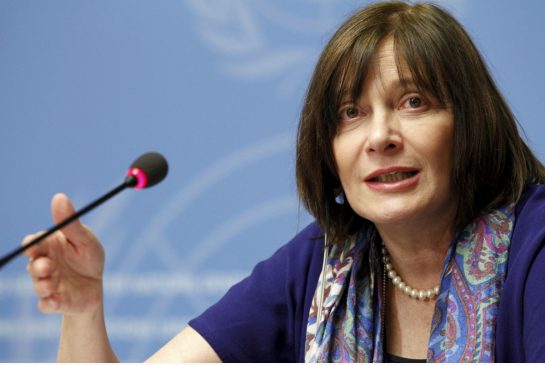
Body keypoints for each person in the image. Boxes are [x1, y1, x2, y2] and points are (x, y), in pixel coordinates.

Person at [23, 1, 545, 362]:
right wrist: (84, 310)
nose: (380, 136)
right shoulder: (323, 263)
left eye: (413, 102)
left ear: (471, 122)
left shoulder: (534, 246)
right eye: (350, 113)